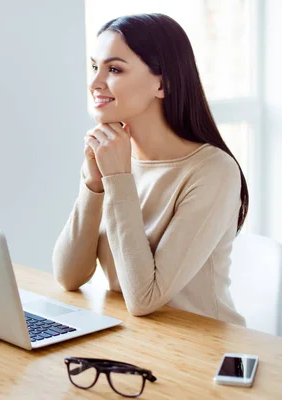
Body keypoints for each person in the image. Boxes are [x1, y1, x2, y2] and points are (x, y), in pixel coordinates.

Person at [52, 13, 248, 325]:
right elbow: (68, 276)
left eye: (114, 69)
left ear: (163, 83)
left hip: (201, 352)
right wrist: (93, 184)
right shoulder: (114, 155)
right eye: (94, 67)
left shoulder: (213, 171)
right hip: (135, 341)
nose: (94, 83)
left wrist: (117, 180)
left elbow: (145, 299)